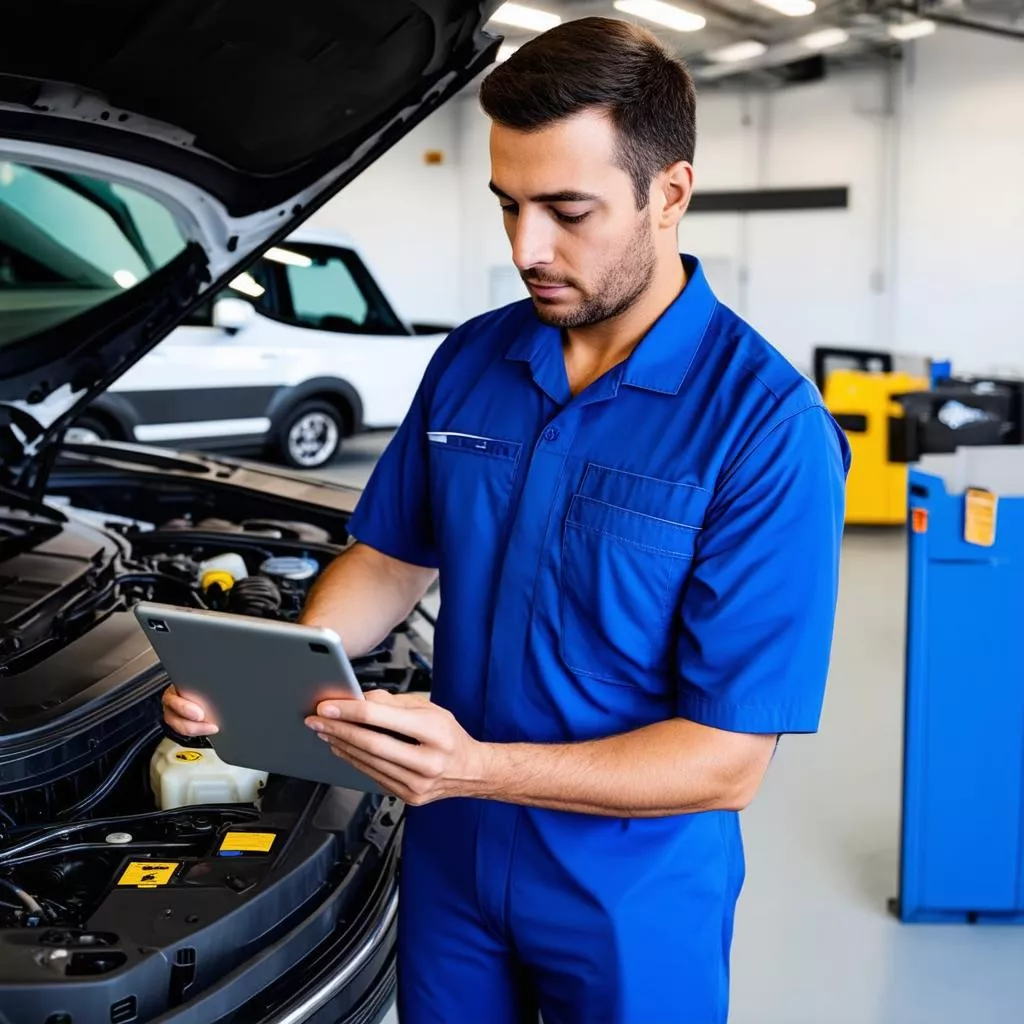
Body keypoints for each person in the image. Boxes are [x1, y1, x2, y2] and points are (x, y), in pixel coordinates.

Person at [163, 16, 850, 1024]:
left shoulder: (763, 429)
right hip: (451, 853)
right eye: (508, 206)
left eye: (568, 210)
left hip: (628, 884)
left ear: (670, 194)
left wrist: (472, 766)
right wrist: (258, 672)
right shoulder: (474, 359)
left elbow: (727, 758)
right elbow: (389, 558)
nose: (528, 247)